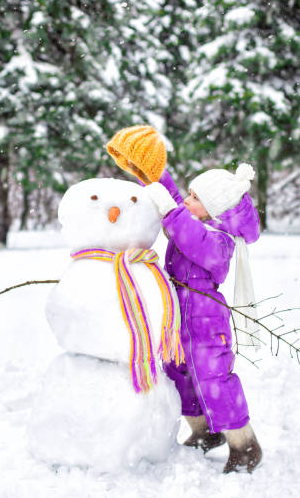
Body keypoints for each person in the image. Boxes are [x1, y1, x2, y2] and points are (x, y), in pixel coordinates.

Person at [106, 125, 262, 474]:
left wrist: (172, 210)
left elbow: (188, 235)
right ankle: (203, 431)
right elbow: (173, 202)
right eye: (189, 195)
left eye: (195, 198)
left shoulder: (219, 241)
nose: (186, 201)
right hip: (179, 317)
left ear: (211, 210)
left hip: (207, 321)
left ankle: (244, 444)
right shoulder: (192, 216)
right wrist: (150, 170)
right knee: (180, 374)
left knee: (213, 380)